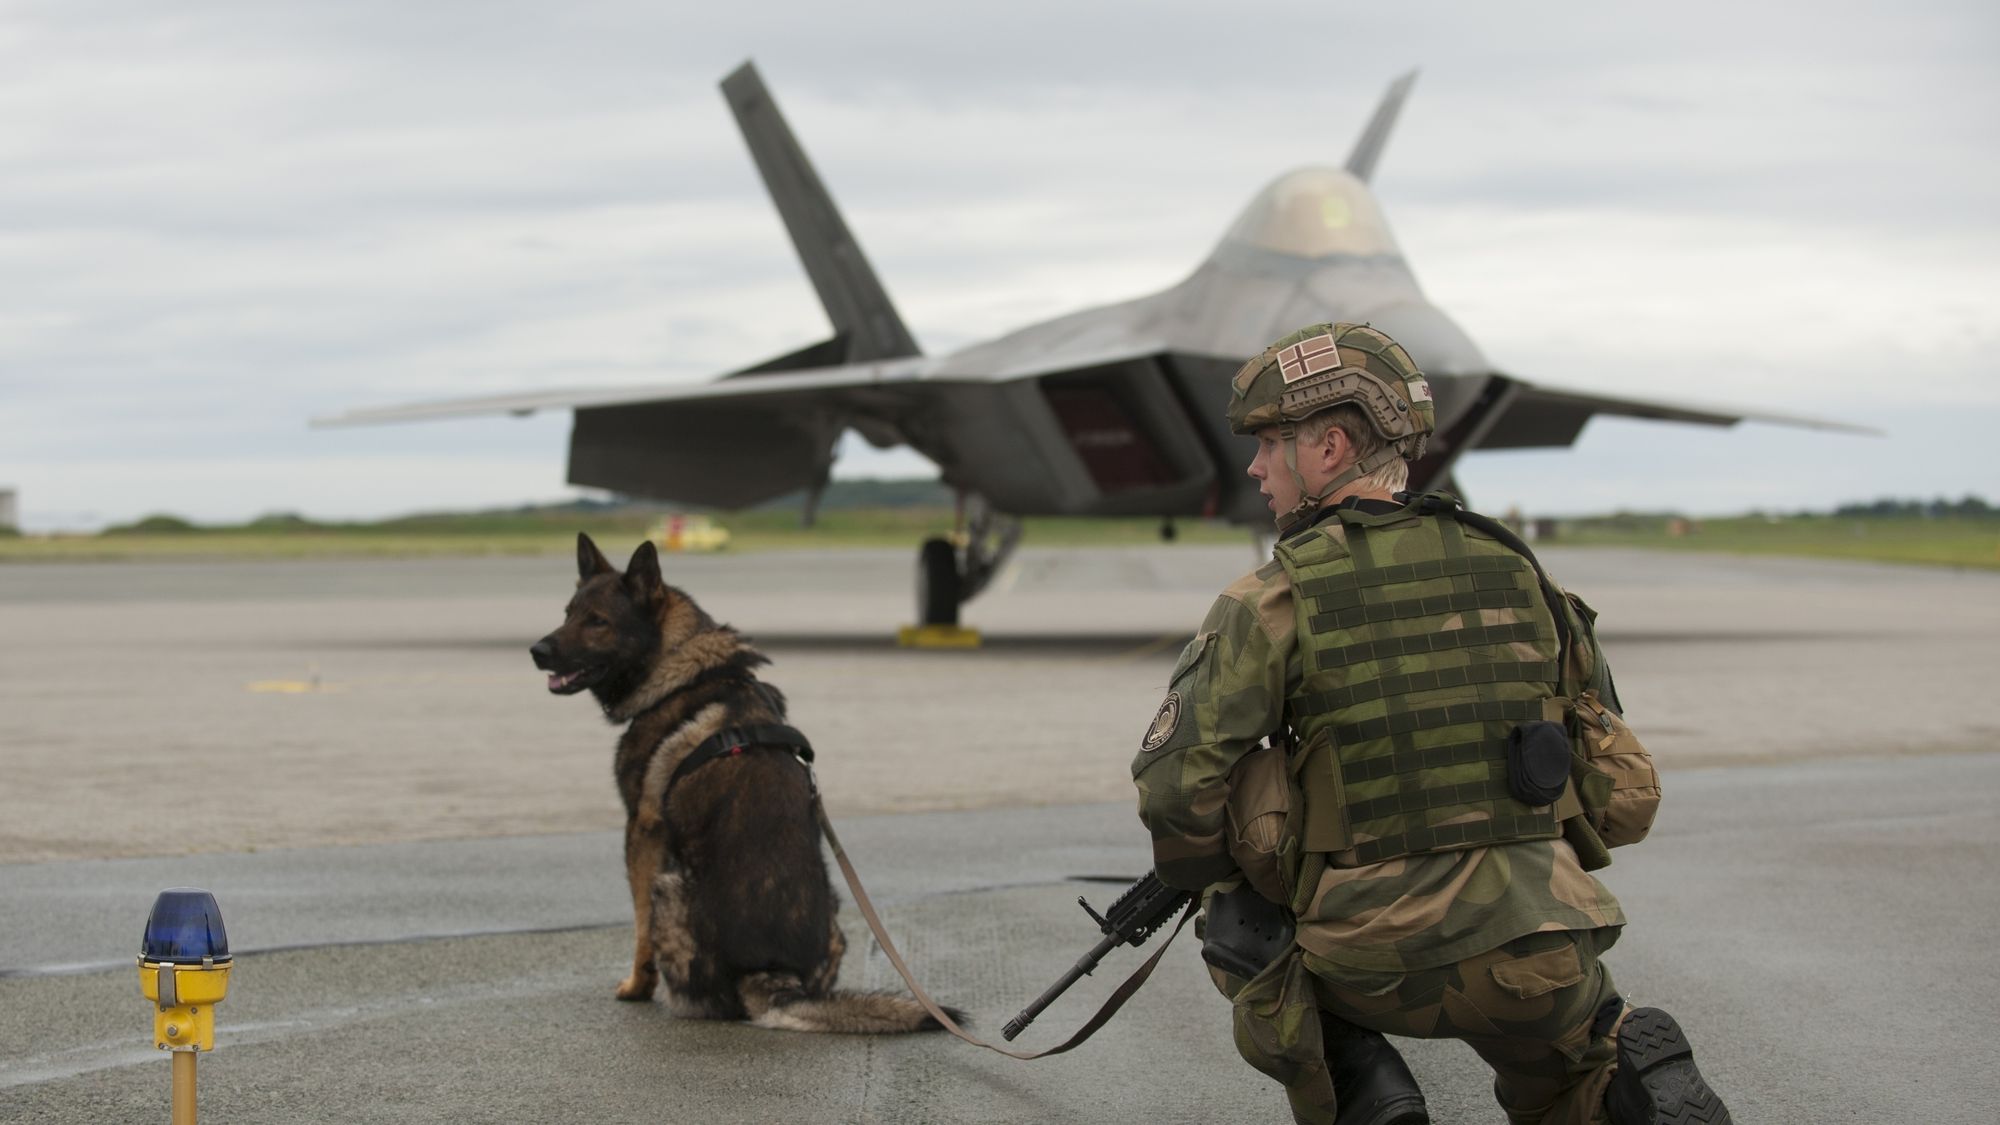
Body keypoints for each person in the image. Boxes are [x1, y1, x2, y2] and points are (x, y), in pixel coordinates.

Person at [1131, 323, 1731, 1125]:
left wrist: (1228, 875)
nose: (1255, 466)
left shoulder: (1270, 599)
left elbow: (1177, 791)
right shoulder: (1521, 569)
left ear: (1330, 447)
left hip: (1369, 960)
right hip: (1542, 947)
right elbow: (1613, 781)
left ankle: (1362, 1088)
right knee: (1563, 1059)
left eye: (1271, 444)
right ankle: (1615, 1086)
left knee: (1235, 911)